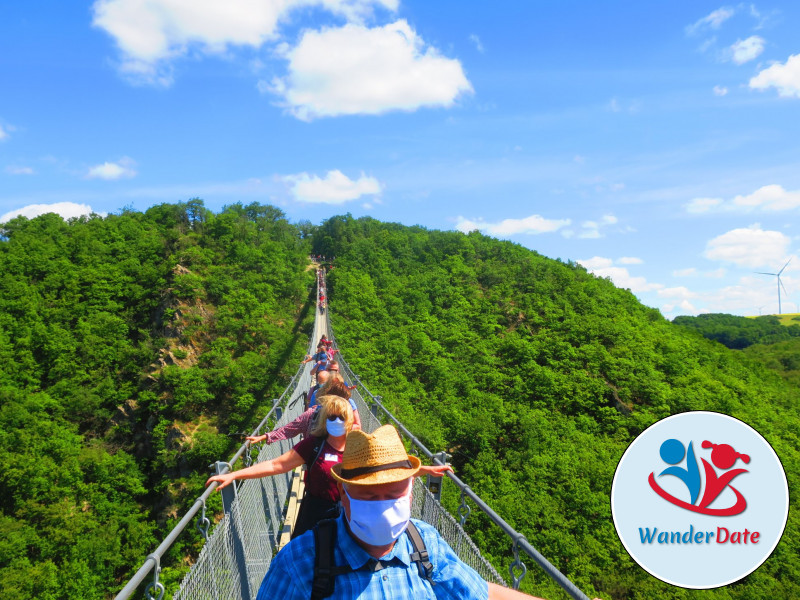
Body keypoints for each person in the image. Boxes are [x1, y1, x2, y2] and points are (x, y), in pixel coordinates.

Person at [255, 425, 558, 600]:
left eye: (394, 493)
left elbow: (479, 592)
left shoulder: (423, 540)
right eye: (370, 495)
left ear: (410, 492)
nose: (384, 505)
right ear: (344, 496)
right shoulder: (299, 562)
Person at [208, 397, 356, 538]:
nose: (336, 421)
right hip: (316, 513)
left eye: (341, 417)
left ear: (349, 420)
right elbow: (276, 465)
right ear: (324, 419)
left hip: (351, 513)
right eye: (331, 417)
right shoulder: (314, 445)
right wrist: (234, 475)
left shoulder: (358, 448)